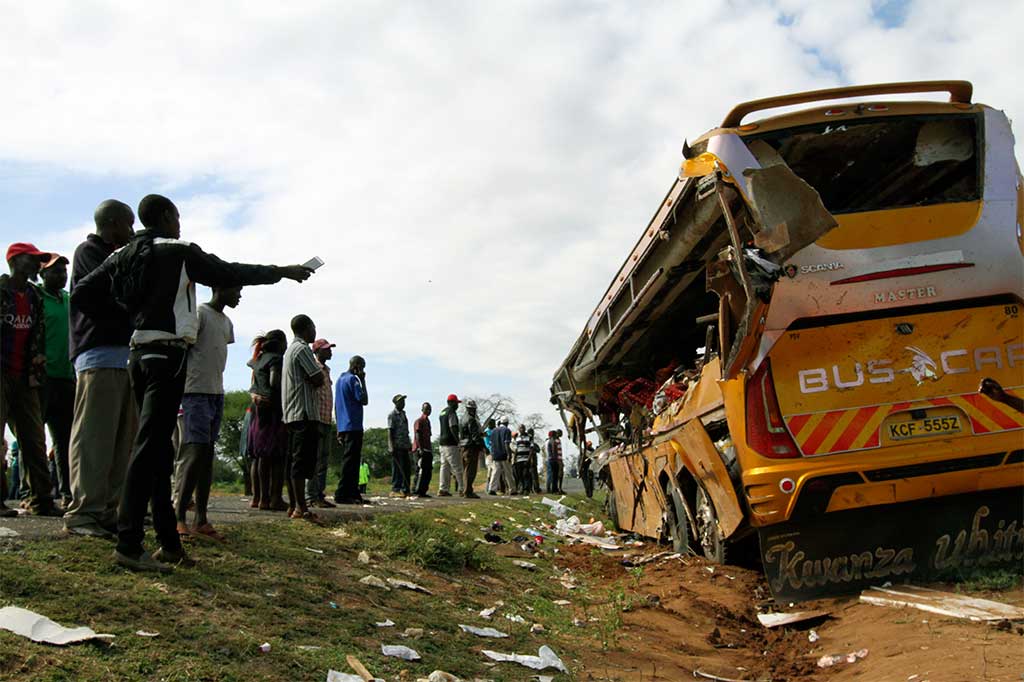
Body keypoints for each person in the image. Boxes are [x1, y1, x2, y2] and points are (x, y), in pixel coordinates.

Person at [72, 194, 314, 572]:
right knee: (148, 449)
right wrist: (281, 270)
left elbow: (83, 292)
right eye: (178, 216)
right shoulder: (178, 250)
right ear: (166, 216)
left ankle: (169, 545)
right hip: (167, 357)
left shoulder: (122, 254)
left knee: (159, 452)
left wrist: (129, 316)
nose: (180, 223)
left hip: (137, 354)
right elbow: (229, 271)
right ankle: (129, 543)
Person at [64, 200, 138, 537]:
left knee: (120, 442)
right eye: (127, 224)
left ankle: (107, 511)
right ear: (110, 224)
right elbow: (103, 294)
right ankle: (83, 513)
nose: (131, 232)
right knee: (94, 438)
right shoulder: (89, 252)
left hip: (123, 357)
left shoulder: (120, 255)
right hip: (98, 355)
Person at [174, 286, 241, 543]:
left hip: (216, 392)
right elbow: (185, 349)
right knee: (195, 452)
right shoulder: (199, 313)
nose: (238, 295)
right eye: (236, 290)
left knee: (207, 454)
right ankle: (179, 515)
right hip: (194, 392)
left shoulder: (227, 322)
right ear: (218, 288)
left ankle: (200, 519)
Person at [1, 243, 60, 516]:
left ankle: (42, 500)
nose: (37, 264)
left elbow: (39, 334)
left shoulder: (35, 295)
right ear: (15, 260)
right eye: (32, 258)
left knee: (35, 439)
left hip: (26, 377)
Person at [38, 254, 75, 507]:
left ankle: (67, 493)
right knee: (34, 438)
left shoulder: (68, 301)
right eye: (55, 272)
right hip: (40, 379)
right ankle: (37, 494)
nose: (61, 276)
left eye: (63, 271)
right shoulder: (35, 299)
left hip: (67, 378)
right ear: (42, 275)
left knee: (65, 440)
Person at [281, 314, 326, 521]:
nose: (315, 331)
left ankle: (294, 506)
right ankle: (301, 508)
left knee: (294, 462)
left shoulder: (290, 350)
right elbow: (318, 378)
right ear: (306, 328)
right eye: (313, 327)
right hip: (304, 413)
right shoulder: (302, 349)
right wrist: (315, 375)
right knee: (301, 462)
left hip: (292, 413)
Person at [247, 330, 288, 511]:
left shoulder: (257, 359)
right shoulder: (276, 360)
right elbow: (274, 383)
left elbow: (254, 384)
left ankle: (259, 498)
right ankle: (274, 498)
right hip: (273, 411)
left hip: (257, 411)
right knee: (277, 456)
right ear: (280, 343)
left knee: (260, 457)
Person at [333, 355, 368, 504]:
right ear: (357, 367)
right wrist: (363, 380)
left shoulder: (340, 380)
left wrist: (339, 428)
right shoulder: (353, 380)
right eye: (362, 368)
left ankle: (353, 492)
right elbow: (364, 400)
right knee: (351, 462)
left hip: (343, 425)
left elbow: (336, 405)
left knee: (351, 460)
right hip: (353, 425)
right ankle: (342, 493)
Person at [305, 339, 336, 509]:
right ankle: (311, 496)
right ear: (317, 352)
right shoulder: (314, 368)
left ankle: (319, 495)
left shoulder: (326, 370)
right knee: (314, 460)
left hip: (326, 419)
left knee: (323, 460)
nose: (330, 351)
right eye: (326, 349)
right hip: (316, 419)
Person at [436, 394, 461, 497]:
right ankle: (462, 489)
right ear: (452, 403)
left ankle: (443, 489)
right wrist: (458, 441)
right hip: (451, 444)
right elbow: (453, 427)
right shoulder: (451, 412)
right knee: (457, 467)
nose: (457, 405)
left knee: (444, 467)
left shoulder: (442, 412)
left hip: (442, 443)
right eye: (456, 403)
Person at [458, 400, 484, 498]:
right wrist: (482, 446)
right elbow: (474, 436)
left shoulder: (462, 419)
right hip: (471, 447)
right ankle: (468, 491)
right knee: (471, 470)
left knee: (465, 469)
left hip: (463, 447)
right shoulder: (471, 419)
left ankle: (465, 490)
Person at [388, 394, 412, 498]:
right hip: (397, 446)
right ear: (396, 403)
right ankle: (395, 489)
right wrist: (391, 446)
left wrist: (409, 444)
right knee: (398, 469)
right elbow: (390, 431)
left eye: (403, 401)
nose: (403, 403)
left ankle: (405, 489)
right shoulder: (392, 415)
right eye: (401, 401)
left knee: (406, 468)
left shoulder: (403, 414)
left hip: (405, 445)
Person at [487, 417, 513, 495]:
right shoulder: (507, 430)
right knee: (508, 473)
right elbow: (506, 443)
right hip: (504, 454)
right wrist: (509, 454)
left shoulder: (494, 431)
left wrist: (493, 454)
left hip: (495, 455)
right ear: (507, 423)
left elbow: (491, 444)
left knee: (495, 472)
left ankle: (492, 489)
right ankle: (512, 489)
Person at [412, 402, 433, 498]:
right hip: (420, 449)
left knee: (428, 472)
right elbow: (417, 435)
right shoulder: (419, 421)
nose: (428, 410)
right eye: (426, 409)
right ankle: (416, 490)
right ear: (422, 410)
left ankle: (423, 491)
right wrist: (420, 449)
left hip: (427, 449)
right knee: (419, 470)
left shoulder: (428, 422)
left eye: (429, 409)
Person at [512, 426, 533, 495]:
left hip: (526, 458)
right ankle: (522, 488)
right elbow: (515, 449)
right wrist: (514, 459)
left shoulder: (529, 437)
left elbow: (531, 448)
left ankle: (526, 489)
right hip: (519, 459)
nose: (522, 429)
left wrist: (529, 459)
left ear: (525, 429)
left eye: (523, 428)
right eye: (520, 428)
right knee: (519, 475)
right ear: (519, 429)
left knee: (526, 474)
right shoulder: (517, 438)